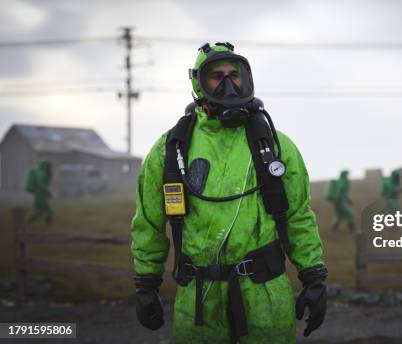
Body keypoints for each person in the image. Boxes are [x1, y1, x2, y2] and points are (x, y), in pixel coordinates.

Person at [131, 42, 327, 343]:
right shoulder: (171, 149)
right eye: (216, 76)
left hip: (266, 297)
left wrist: (314, 278)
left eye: (233, 75)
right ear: (198, 83)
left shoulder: (274, 146)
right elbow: (149, 222)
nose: (227, 84)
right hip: (199, 300)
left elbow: (298, 216)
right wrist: (146, 284)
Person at [25, 159, 53, 224]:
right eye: (49, 166)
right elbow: (40, 183)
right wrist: (47, 191)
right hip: (40, 194)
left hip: (40, 193)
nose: (51, 167)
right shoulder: (41, 173)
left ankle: (29, 222)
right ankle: (48, 224)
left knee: (39, 211)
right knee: (48, 210)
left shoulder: (44, 172)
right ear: (45, 165)